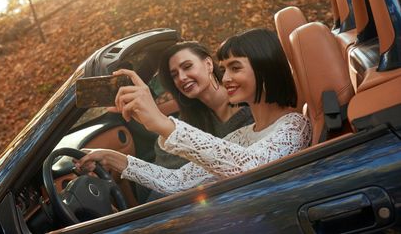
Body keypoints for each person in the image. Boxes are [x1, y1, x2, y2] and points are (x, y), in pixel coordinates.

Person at [76, 28, 312, 195]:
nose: (226, 78)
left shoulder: (295, 125)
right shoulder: (242, 135)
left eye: (235, 68)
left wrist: (161, 122)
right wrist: (111, 158)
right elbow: (177, 180)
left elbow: (247, 168)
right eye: (224, 69)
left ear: (264, 68)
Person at [151, 41, 253, 170]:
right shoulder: (192, 116)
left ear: (208, 64)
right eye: (175, 75)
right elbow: (164, 162)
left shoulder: (248, 106)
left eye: (187, 66)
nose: (181, 78)